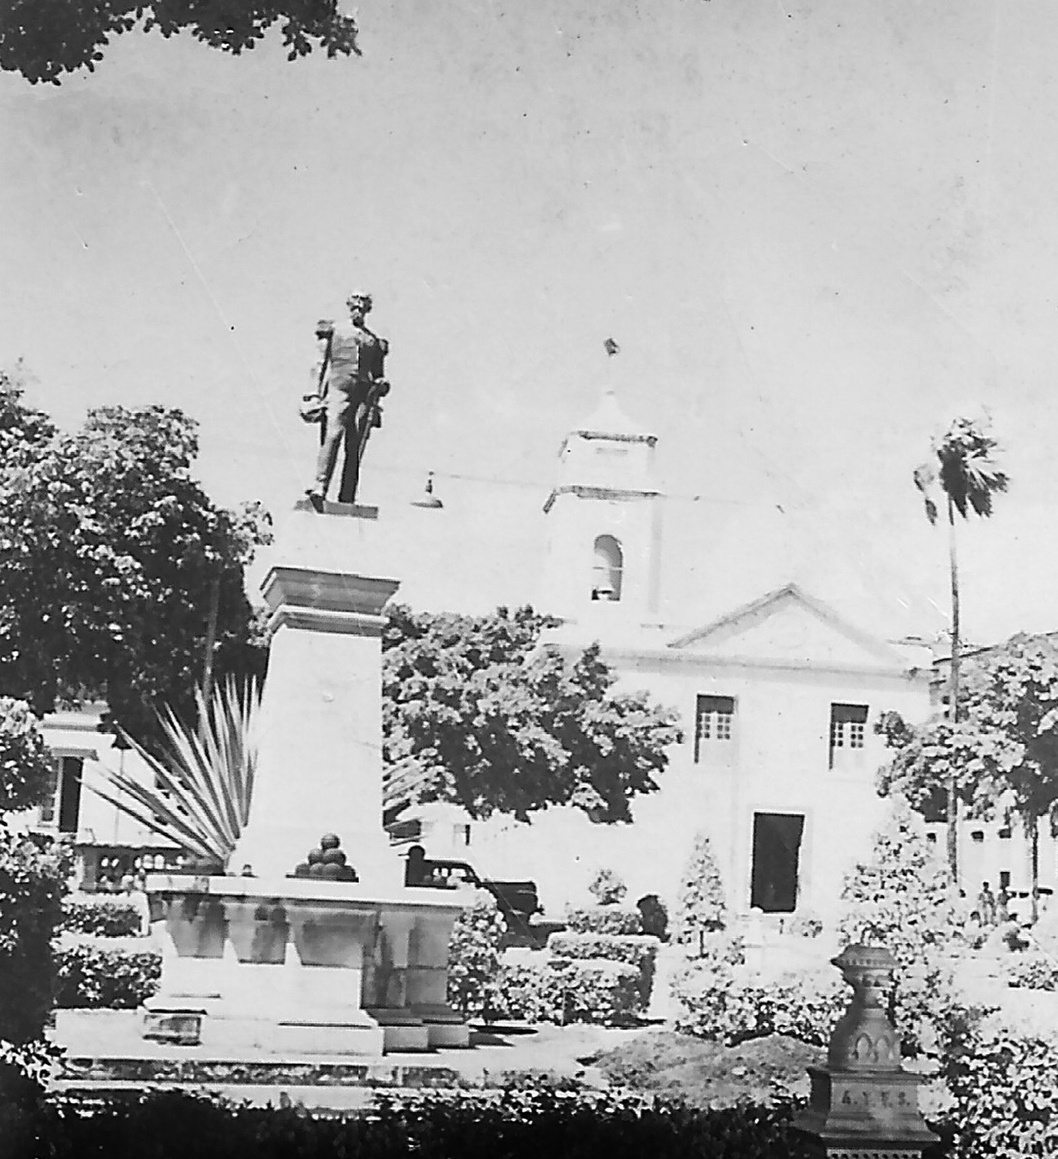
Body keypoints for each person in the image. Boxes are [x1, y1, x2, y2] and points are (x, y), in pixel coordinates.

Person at [305, 292, 390, 510]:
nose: (358, 310)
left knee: (354, 446)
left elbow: (378, 373)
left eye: (363, 306)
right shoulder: (334, 330)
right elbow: (319, 363)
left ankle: (347, 496)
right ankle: (319, 487)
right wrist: (313, 393)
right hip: (338, 388)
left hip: (363, 394)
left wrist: (381, 384)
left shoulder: (373, 341)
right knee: (333, 435)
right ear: (349, 306)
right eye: (355, 305)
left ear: (368, 309)